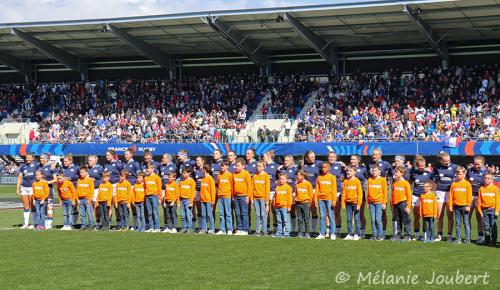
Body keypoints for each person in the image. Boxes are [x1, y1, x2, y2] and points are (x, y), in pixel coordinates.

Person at [432, 151, 458, 242]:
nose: (447, 162)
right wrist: (437, 182)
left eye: (448, 160)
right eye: (445, 161)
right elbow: (432, 177)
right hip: (440, 191)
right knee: (439, 215)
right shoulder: (437, 167)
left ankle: (449, 235)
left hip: (450, 192)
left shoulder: (455, 167)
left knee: (450, 215)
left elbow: (460, 176)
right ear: (440, 161)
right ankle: (439, 235)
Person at [409, 155, 433, 241]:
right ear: (417, 165)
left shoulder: (429, 173)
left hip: (425, 198)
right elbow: (408, 183)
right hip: (415, 197)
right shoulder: (413, 173)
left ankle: (425, 234)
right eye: (421, 166)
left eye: (424, 165)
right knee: (416, 216)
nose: (422, 167)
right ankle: (416, 234)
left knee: (425, 216)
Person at [370, 148, 392, 239]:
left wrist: (389, 182)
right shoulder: (370, 164)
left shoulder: (386, 164)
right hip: (373, 193)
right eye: (373, 154)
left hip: (381, 193)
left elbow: (391, 174)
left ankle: (383, 231)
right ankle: (375, 233)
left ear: (380, 155)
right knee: (373, 217)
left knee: (382, 213)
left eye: (376, 154)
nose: (374, 156)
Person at [449, 166, 472, 244]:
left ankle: (467, 239)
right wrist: (450, 205)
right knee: (458, 223)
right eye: (457, 174)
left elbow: (469, 195)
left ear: (464, 174)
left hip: (465, 206)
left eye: (460, 174)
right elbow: (451, 195)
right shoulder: (453, 184)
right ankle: (458, 238)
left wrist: (468, 205)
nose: (458, 175)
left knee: (466, 223)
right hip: (456, 206)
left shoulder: (467, 184)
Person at [301, 150, 322, 233]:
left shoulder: (318, 163)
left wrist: (339, 162)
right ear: (306, 158)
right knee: (304, 211)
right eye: (311, 157)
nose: (314, 158)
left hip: (314, 190)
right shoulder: (302, 165)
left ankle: (313, 230)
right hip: (305, 190)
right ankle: (305, 230)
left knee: (314, 209)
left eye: (314, 156)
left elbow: (328, 164)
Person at [467, 156, 487, 244]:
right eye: (475, 164)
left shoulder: (486, 173)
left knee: (480, 218)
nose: (476, 166)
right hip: (469, 197)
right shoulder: (469, 171)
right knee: (467, 217)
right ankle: (468, 236)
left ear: (482, 164)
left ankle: (480, 236)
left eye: (478, 164)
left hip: (480, 197)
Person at [16, 152, 39, 229]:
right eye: (26, 157)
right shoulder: (23, 166)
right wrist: (17, 189)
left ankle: (33, 223)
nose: (27, 159)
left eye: (29, 158)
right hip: (24, 187)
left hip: (32, 188)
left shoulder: (36, 165)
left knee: (32, 206)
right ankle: (26, 224)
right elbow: (19, 178)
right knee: (26, 206)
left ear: (33, 158)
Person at [314, 163, 337, 240]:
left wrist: (334, 200)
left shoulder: (332, 177)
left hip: (329, 199)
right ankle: (322, 234)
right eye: (322, 167)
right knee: (322, 217)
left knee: (331, 216)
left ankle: (333, 233)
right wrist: (315, 199)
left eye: (325, 167)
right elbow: (317, 189)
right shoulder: (319, 177)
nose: (323, 169)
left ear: (329, 168)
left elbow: (334, 189)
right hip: (321, 199)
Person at [391, 166, 412, 242]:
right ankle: (398, 235)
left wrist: (408, 206)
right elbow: (392, 195)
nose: (395, 173)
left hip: (403, 204)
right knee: (398, 220)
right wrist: (392, 205)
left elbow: (409, 196)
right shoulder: (394, 183)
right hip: (395, 205)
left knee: (406, 220)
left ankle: (407, 236)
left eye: (397, 172)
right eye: (395, 172)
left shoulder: (406, 183)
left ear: (402, 173)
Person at [367, 166, 388, 240]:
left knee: (378, 219)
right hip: (371, 203)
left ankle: (381, 235)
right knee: (372, 219)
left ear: (379, 172)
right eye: (373, 170)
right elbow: (368, 192)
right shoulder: (369, 180)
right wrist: (368, 202)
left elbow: (385, 192)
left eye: (376, 170)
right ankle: (374, 234)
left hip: (379, 202)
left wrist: (384, 203)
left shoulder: (383, 180)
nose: (374, 172)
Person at [342, 166, 363, 241]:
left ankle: (357, 234)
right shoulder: (345, 181)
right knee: (349, 219)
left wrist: (359, 204)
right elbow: (343, 192)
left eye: (350, 171)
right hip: (348, 203)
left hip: (355, 203)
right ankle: (350, 234)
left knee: (357, 219)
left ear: (355, 172)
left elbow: (360, 193)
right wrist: (343, 203)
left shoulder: (357, 181)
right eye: (348, 171)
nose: (348, 172)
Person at [349, 155, 368, 238]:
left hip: (361, 193)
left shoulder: (363, 169)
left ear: (358, 161)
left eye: (354, 159)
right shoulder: (347, 168)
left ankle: (362, 231)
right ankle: (352, 232)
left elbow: (367, 178)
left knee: (360, 213)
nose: (352, 160)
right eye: (351, 159)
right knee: (351, 215)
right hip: (350, 193)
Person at [478, 174, 499, 246]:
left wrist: (496, 211)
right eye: (485, 178)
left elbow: (497, 201)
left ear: (492, 180)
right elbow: (479, 201)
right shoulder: (481, 189)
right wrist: (480, 211)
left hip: (492, 209)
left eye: (488, 178)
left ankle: (494, 241)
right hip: (484, 210)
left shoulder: (495, 188)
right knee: (486, 226)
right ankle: (487, 241)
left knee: (493, 226)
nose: (486, 179)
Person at [279, 155, 298, 234]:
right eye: (285, 160)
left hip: (292, 193)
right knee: (283, 212)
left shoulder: (295, 169)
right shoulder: (282, 170)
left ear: (291, 161)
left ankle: (293, 229)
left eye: (287, 160)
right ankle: (283, 229)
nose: (285, 162)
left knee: (292, 211)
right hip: (282, 193)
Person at [327, 152, 345, 237]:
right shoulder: (325, 166)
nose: (331, 158)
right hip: (327, 192)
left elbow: (347, 172)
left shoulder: (340, 165)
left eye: (333, 157)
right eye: (330, 157)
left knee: (337, 212)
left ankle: (338, 231)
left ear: (336, 158)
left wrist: (344, 165)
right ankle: (328, 231)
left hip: (338, 191)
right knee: (327, 213)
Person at [233, 158, 252, 235]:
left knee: (244, 213)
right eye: (236, 166)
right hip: (236, 196)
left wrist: (248, 196)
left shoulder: (246, 174)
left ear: (243, 166)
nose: (236, 167)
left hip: (244, 196)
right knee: (237, 213)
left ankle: (245, 229)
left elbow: (249, 186)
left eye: (238, 165)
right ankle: (239, 228)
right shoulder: (234, 174)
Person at [123, 148, 141, 230]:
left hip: (133, 185)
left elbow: (139, 175)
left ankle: (136, 224)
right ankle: (126, 224)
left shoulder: (135, 163)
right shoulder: (125, 164)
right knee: (127, 205)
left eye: (127, 154)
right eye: (125, 154)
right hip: (125, 187)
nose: (125, 155)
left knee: (134, 205)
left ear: (131, 154)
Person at [104, 150, 122, 228]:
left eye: (108, 155)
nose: (107, 157)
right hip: (107, 186)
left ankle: (119, 223)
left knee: (116, 204)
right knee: (108, 205)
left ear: (112, 156)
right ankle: (108, 223)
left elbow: (122, 174)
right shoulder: (106, 165)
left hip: (115, 185)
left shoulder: (118, 164)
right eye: (106, 155)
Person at [251, 161, 270, 236]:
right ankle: (257, 230)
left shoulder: (266, 176)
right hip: (255, 198)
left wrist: (267, 200)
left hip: (262, 198)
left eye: (259, 166)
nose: (258, 167)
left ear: (263, 167)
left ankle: (264, 231)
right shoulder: (254, 175)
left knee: (263, 214)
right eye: (257, 166)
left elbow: (267, 189)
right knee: (258, 214)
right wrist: (252, 198)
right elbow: (252, 188)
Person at [61, 154, 80, 226]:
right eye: (63, 161)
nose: (64, 163)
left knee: (73, 206)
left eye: (65, 161)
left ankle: (73, 223)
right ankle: (68, 223)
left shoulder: (76, 168)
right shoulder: (63, 168)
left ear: (70, 161)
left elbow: (81, 176)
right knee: (67, 208)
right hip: (65, 191)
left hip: (74, 190)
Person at [39, 153, 57, 229]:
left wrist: (48, 182)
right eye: (40, 158)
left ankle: (49, 224)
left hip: (49, 190)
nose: (41, 159)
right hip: (40, 191)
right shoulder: (38, 167)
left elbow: (56, 179)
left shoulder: (51, 167)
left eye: (43, 158)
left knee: (49, 207)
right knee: (42, 207)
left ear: (46, 159)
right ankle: (43, 223)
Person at [216, 161, 234, 235]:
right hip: (221, 196)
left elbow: (232, 186)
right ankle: (222, 229)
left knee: (228, 213)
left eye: (223, 166)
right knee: (221, 213)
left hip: (227, 195)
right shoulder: (219, 175)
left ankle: (229, 229)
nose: (222, 167)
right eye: (221, 166)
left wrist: (232, 196)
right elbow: (219, 185)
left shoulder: (230, 175)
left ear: (227, 166)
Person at [263, 150, 279, 234]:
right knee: (266, 211)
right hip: (264, 191)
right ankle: (267, 228)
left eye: (264, 156)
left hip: (273, 191)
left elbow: (279, 178)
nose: (263, 158)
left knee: (274, 210)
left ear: (268, 156)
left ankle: (276, 228)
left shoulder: (276, 166)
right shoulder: (263, 166)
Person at [273, 173, 292, 238]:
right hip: (277, 207)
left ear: (286, 180)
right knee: (279, 220)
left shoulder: (288, 188)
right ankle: (279, 233)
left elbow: (290, 198)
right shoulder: (277, 187)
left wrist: (289, 206)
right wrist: (274, 204)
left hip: (284, 207)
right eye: (280, 179)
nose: (281, 180)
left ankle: (287, 233)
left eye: (283, 179)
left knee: (286, 220)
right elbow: (275, 197)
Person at [295, 170, 313, 238]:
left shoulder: (308, 184)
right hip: (298, 203)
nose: (297, 176)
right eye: (297, 175)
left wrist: (309, 202)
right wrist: (296, 200)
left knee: (306, 218)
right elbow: (296, 193)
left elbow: (311, 194)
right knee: (299, 218)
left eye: (299, 175)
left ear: (303, 176)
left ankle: (307, 233)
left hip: (306, 203)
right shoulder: (297, 183)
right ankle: (300, 232)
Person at [144, 164, 162, 233]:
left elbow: (159, 187)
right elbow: (145, 187)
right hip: (147, 196)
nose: (147, 170)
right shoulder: (145, 178)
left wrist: (160, 197)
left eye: (148, 168)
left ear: (153, 169)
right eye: (147, 168)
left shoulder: (156, 177)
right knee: (149, 212)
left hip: (154, 196)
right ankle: (151, 227)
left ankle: (157, 227)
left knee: (155, 212)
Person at [199, 165, 216, 234]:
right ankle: (204, 228)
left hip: (209, 200)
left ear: (204, 170)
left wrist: (213, 200)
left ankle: (212, 228)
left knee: (209, 214)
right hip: (203, 200)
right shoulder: (203, 179)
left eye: (202, 169)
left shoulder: (210, 179)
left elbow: (213, 190)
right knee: (203, 215)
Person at [87, 155, 103, 229]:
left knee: (96, 206)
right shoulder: (87, 169)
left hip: (96, 189)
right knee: (89, 206)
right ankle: (91, 223)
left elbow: (104, 179)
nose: (89, 162)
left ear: (95, 161)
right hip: (88, 190)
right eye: (88, 160)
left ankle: (98, 222)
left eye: (90, 160)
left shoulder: (100, 169)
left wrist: (95, 180)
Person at [179, 168, 196, 233]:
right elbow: (179, 191)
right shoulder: (182, 181)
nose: (183, 174)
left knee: (188, 215)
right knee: (183, 215)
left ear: (189, 173)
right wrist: (178, 201)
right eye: (183, 173)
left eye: (185, 173)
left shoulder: (192, 181)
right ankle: (184, 227)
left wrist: (191, 202)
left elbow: (192, 193)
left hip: (188, 200)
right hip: (182, 200)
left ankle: (189, 228)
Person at [193, 156, 206, 231]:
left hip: (204, 191)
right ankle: (200, 226)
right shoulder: (196, 170)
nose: (197, 162)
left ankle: (205, 227)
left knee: (204, 209)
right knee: (198, 209)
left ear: (203, 161)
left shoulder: (206, 170)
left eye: (198, 160)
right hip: (197, 191)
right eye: (196, 160)